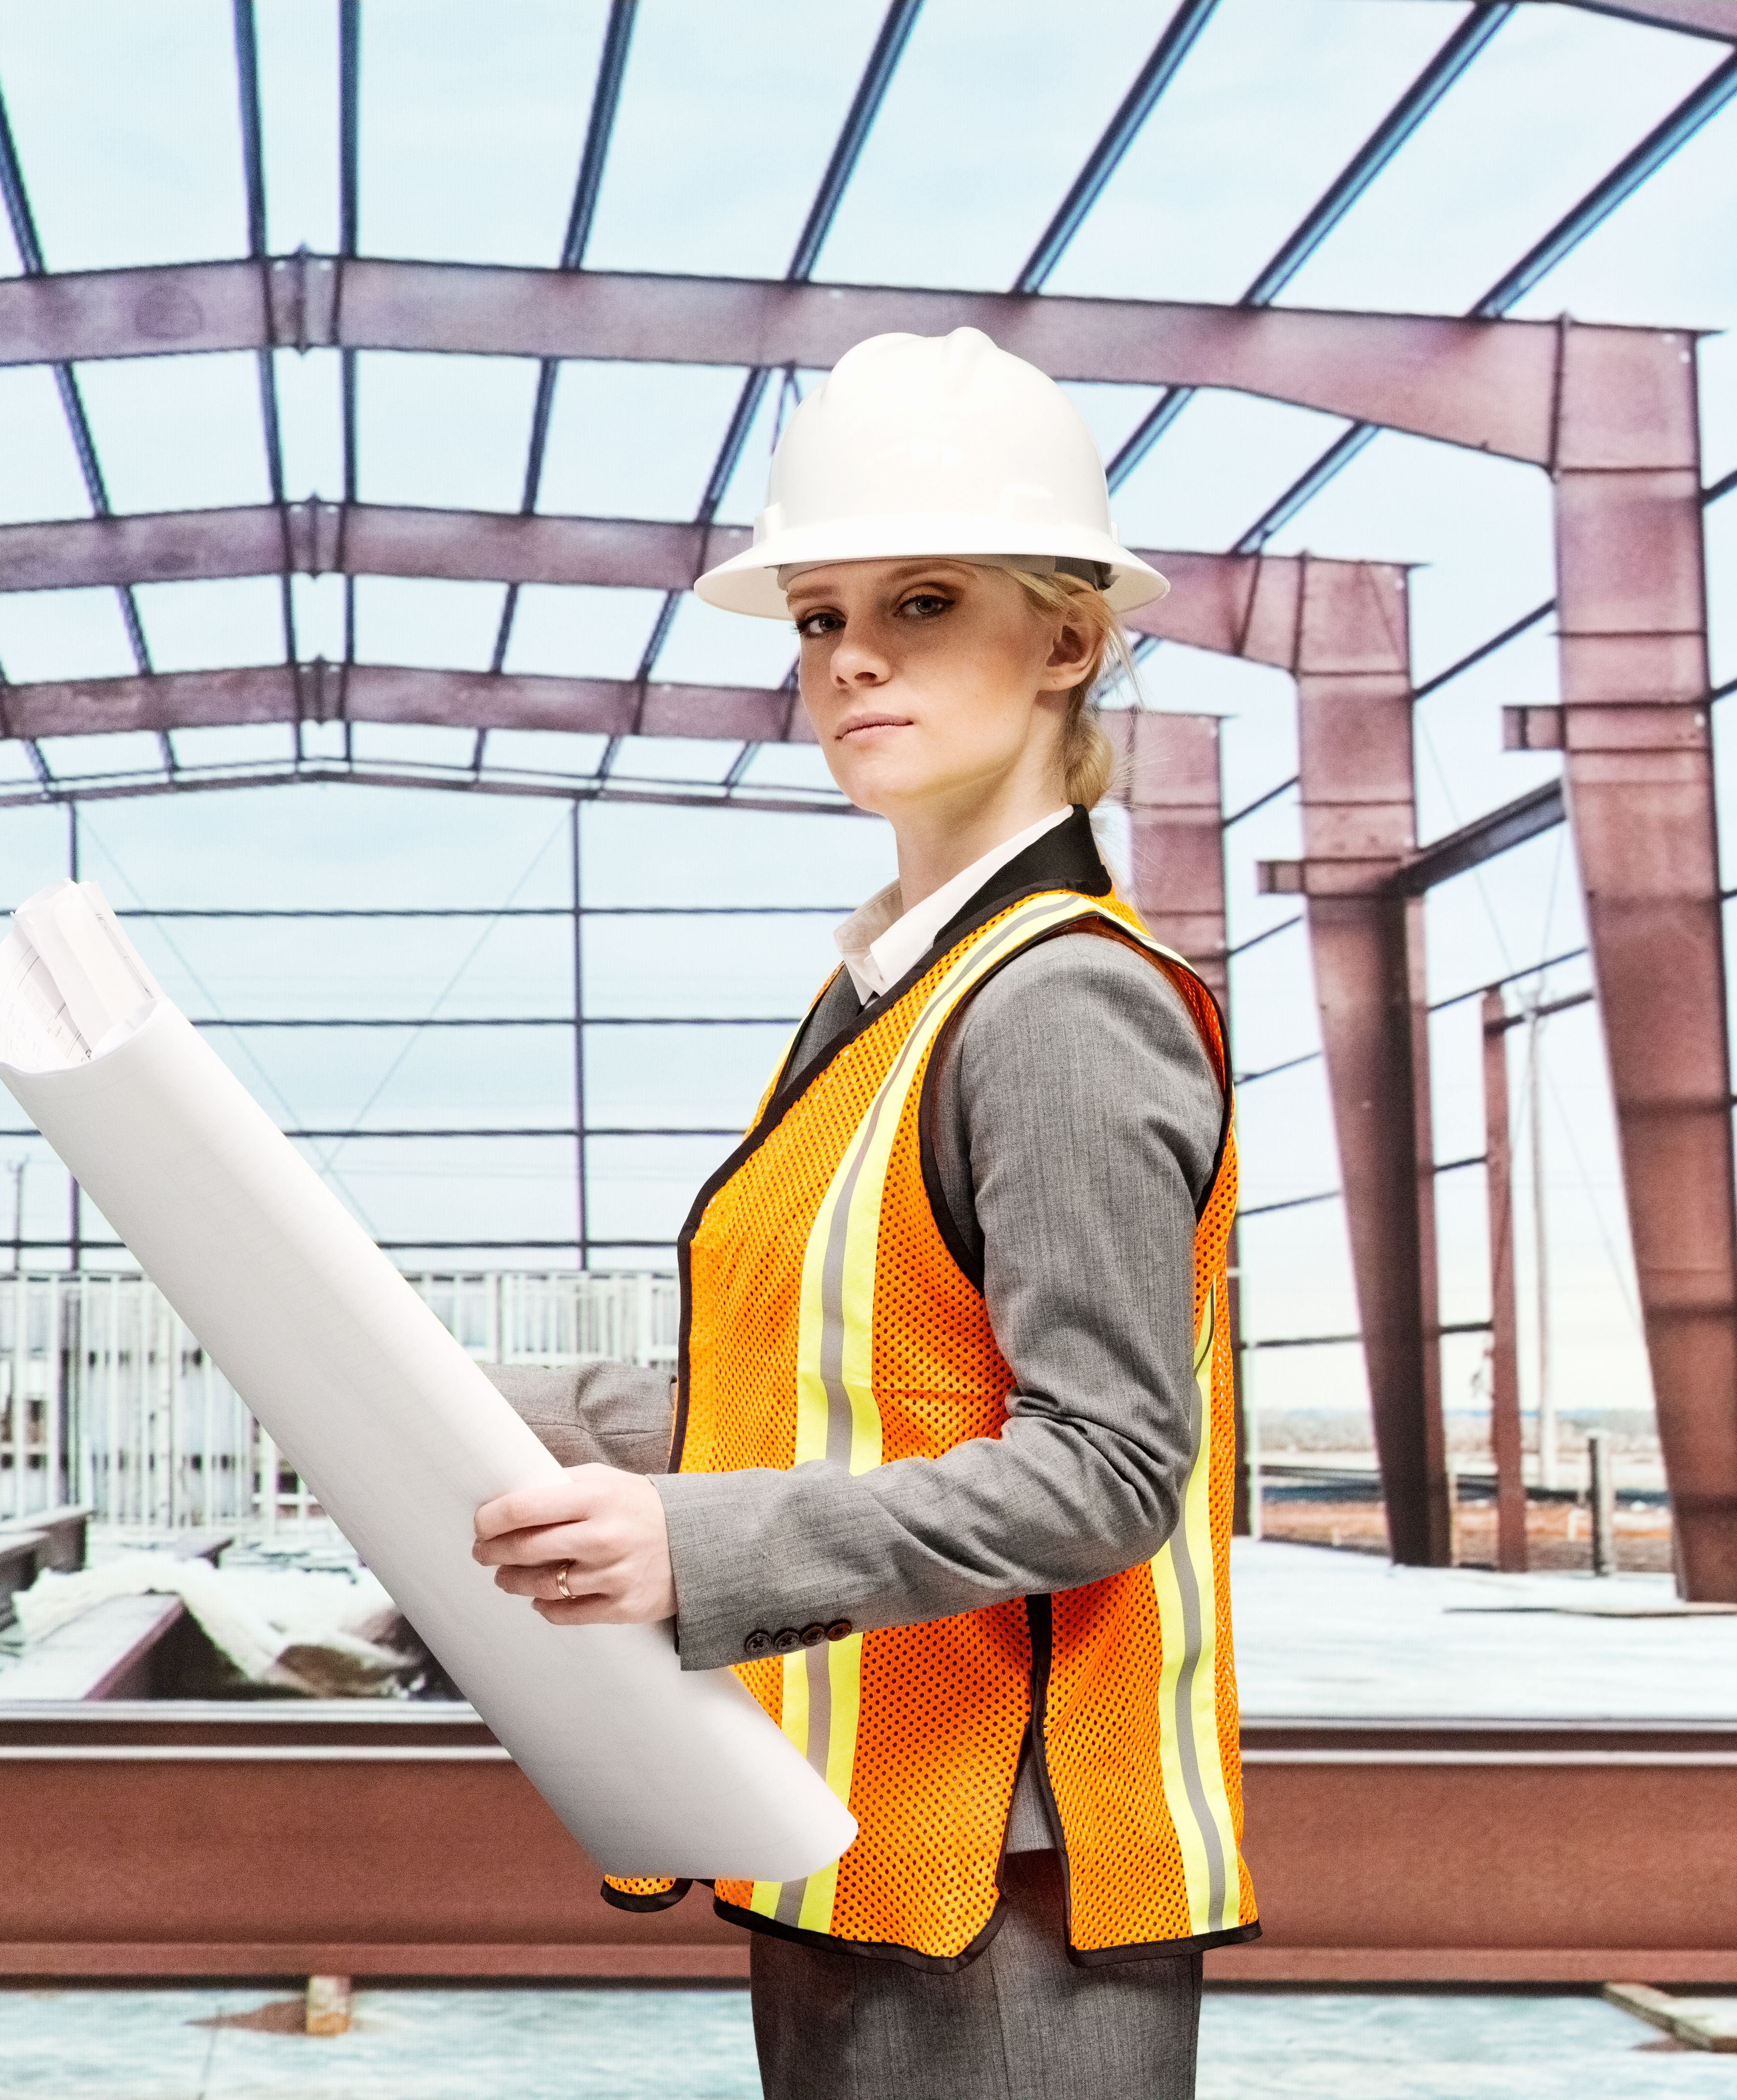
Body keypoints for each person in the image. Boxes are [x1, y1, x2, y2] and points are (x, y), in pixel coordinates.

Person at [466, 327, 1250, 2100]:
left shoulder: (1058, 1003)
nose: (851, 660)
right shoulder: (888, 1001)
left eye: (921, 600)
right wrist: (398, 1388)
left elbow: (1112, 1470)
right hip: (858, 1835)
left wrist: (702, 1557)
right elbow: (814, 1390)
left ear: (1068, 638)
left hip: (1007, 1882)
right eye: (820, 617)